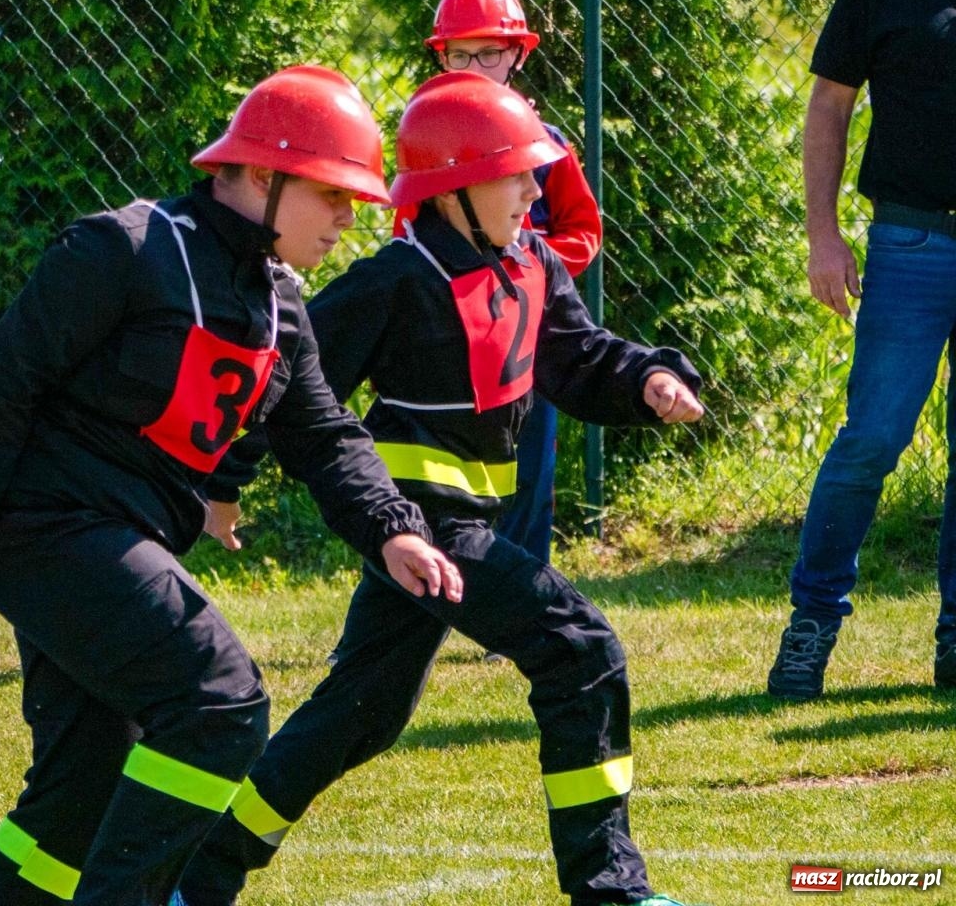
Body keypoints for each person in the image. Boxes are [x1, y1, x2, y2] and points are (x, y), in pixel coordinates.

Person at [0, 65, 464, 906]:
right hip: (48, 529)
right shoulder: (123, 249)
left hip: (119, 544)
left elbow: (323, 436)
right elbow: (2, 386)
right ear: (262, 176)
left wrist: (392, 526)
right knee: (220, 704)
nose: (349, 219)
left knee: (80, 792)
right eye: (332, 194)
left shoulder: (280, 306)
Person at [174, 72, 706, 906]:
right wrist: (222, 480)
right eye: (516, 174)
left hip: (458, 531)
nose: (534, 191)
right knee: (581, 649)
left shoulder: (532, 263)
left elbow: (581, 358)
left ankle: (198, 877)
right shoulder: (395, 279)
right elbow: (285, 384)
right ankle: (610, 890)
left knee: (361, 713)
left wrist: (648, 379)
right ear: (455, 187)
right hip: (417, 527)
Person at [766, 0, 956, 701]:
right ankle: (812, 623)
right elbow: (830, 106)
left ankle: (954, 636)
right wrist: (824, 235)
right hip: (910, 242)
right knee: (872, 440)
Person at [426, 0, 602, 564]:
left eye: (490, 54)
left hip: (529, 336)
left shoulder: (544, 145)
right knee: (450, 469)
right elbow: (409, 236)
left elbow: (583, 229)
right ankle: (450, 580)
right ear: (442, 58)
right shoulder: (428, 140)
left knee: (528, 469)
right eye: (460, 55)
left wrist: (533, 271)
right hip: (456, 337)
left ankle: (526, 584)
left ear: (517, 55)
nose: (475, 69)